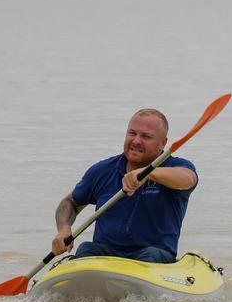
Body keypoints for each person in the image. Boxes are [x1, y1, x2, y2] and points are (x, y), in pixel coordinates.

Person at [51, 108, 197, 264]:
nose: (136, 141)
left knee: (151, 255)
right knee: (86, 249)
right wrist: (64, 229)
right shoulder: (103, 170)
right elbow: (70, 203)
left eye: (146, 136)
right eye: (132, 133)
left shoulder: (176, 166)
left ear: (163, 143)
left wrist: (148, 173)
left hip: (154, 255)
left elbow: (188, 179)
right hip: (106, 253)